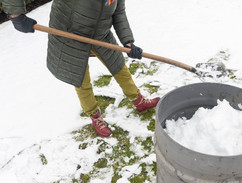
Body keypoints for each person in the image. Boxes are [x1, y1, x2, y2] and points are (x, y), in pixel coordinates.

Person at [2, 0, 160, 137]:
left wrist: (128, 42)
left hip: (100, 33)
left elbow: (118, 12)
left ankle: (138, 100)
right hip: (70, 34)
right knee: (81, 78)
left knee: (118, 66)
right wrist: (15, 13)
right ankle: (94, 115)